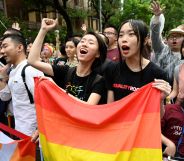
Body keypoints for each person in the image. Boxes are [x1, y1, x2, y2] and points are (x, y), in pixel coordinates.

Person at [28, 18, 107, 105]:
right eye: (82, 41)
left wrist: (56, 88)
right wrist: (43, 30)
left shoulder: (98, 81)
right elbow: (32, 61)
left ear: (98, 54)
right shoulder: (65, 71)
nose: (84, 44)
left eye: (91, 43)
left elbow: (89, 107)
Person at [105, 19, 171, 117]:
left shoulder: (158, 74)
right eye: (121, 35)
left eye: (131, 34)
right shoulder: (112, 69)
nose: (124, 39)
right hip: (118, 128)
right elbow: (110, 107)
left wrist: (161, 99)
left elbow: (158, 117)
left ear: (144, 40)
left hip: (141, 129)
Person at [0, 33, 44, 136]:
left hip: (34, 135)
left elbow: (44, 103)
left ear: (19, 47)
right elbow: (5, 97)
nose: (2, 51)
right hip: (19, 131)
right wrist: (1, 76)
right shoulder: (12, 71)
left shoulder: (30, 70)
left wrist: (40, 129)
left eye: (5, 46)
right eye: (1, 47)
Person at [150, 1, 184, 85]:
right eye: (171, 36)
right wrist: (157, 17)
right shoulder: (161, 50)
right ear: (167, 40)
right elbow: (154, 36)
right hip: (160, 90)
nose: (174, 38)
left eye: (178, 36)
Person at [168, 40, 184, 104]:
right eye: (183, 46)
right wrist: (167, 99)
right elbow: (175, 91)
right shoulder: (178, 69)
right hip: (179, 107)